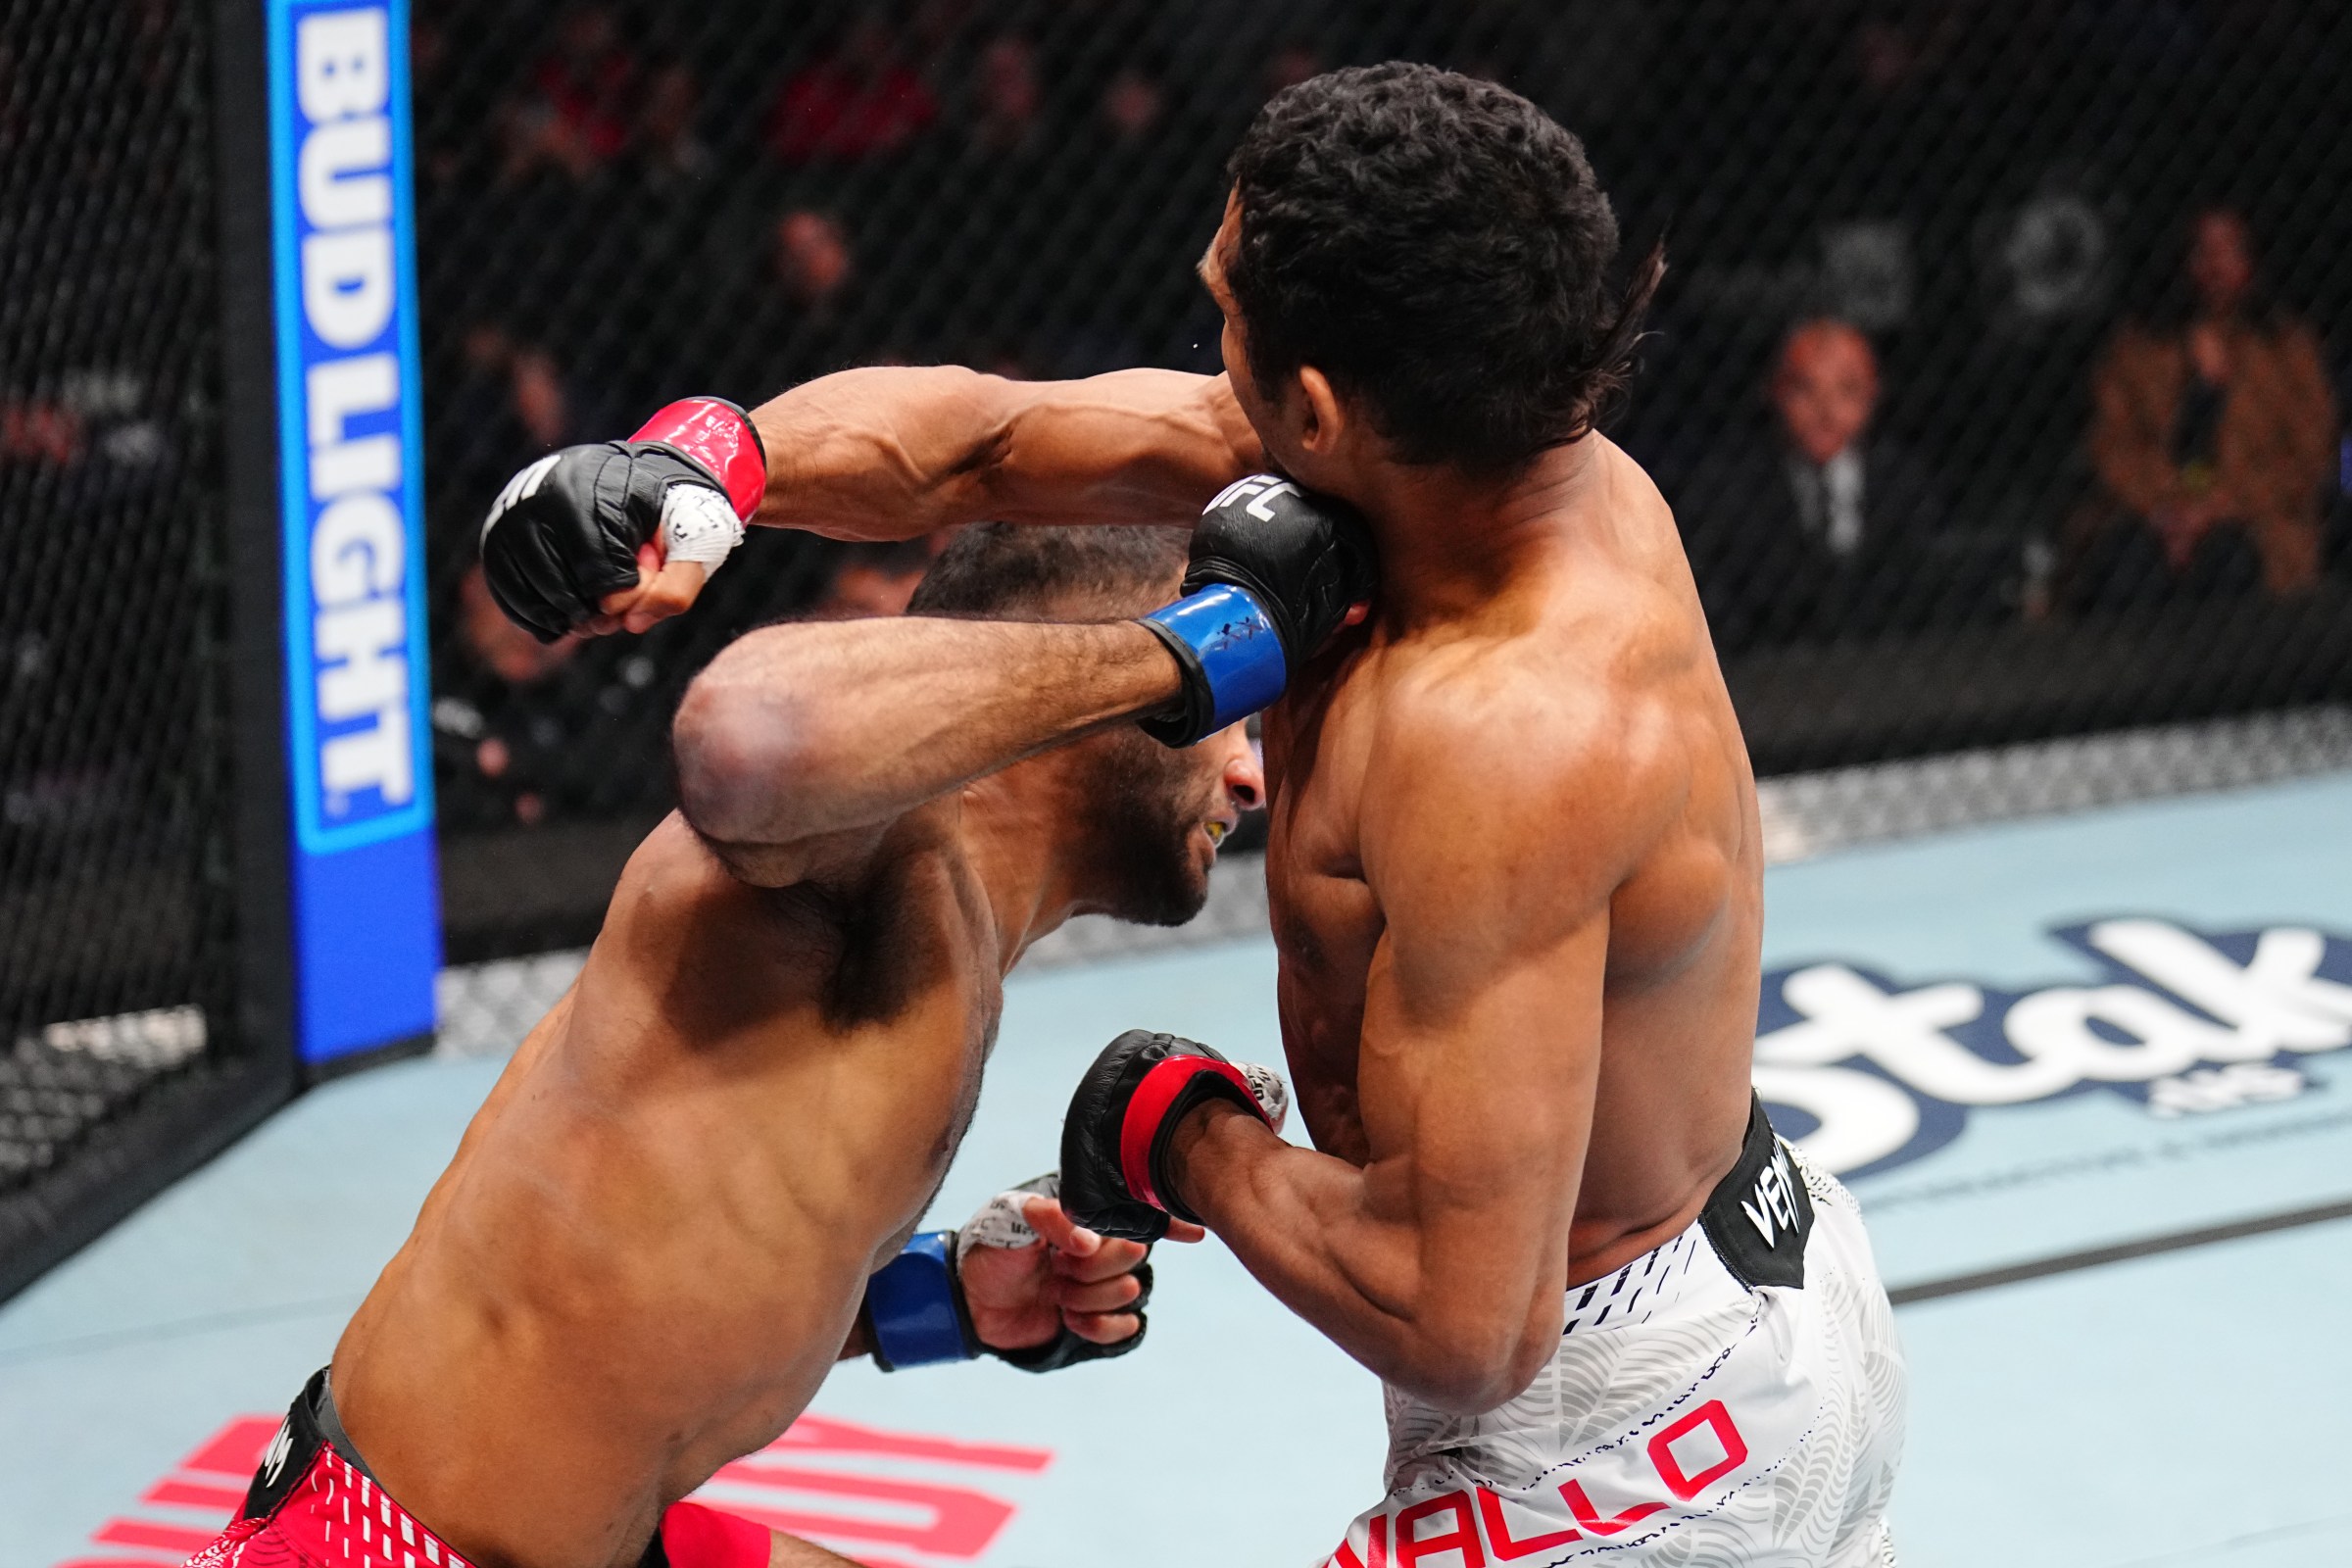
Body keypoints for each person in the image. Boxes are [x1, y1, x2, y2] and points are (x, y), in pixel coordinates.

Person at [476, 63, 1905, 1566]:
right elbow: (990, 439)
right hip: (1748, 1261)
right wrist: (704, 464)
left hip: (1634, 1420)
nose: (1205, 331)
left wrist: (1184, 1137)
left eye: (1229, 307)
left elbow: (1462, 1319)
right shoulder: (1457, 464)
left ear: (1323, 404)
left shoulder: (1505, 733)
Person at [182, 519, 1275, 1568]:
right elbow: (749, 731)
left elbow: (653, 1301)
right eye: (1227, 712)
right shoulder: (866, 848)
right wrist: (1165, 657)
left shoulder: (951, 933)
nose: (1250, 775)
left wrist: (942, 1298)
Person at [2068, 206, 2338, 606]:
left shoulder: (2287, 350)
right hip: (2152, 514)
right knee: (2129, 563)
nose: (2214, 266)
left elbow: (2310, 458)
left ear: (2252, 261)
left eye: (2228, 250)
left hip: (2250, 517)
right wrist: (2172, 508)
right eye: (2202, 251)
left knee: (2230, 561)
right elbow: (2110, 446)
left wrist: (2218, 506)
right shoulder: (2137, 348)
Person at [1678, 318, 1948, 651]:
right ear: (1775, 391)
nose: (1826, 411)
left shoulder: (1901, 482)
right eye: (1806, 388)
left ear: (1873, 395)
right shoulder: (1728, 488)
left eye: (1847, 390)